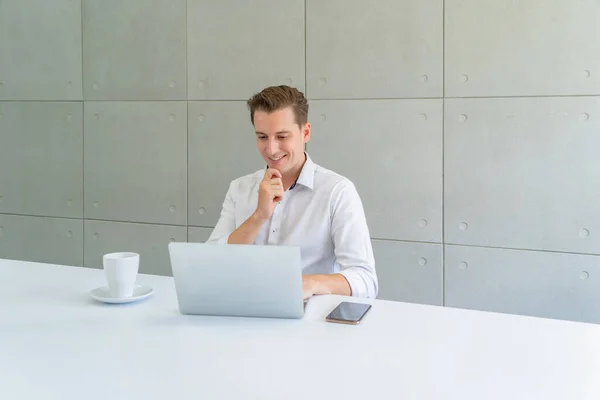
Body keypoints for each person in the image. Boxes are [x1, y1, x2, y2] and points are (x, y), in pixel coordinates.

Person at [206, 85, 378, 300]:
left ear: (305, 132)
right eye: (262, 137)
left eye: (282, 136)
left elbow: (365, 279)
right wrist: (260, 216)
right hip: (243, 313)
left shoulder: (337, 191)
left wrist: (307, 283)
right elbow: (209, 265)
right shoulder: (239, 188)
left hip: (309, 321)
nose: (271, 149)